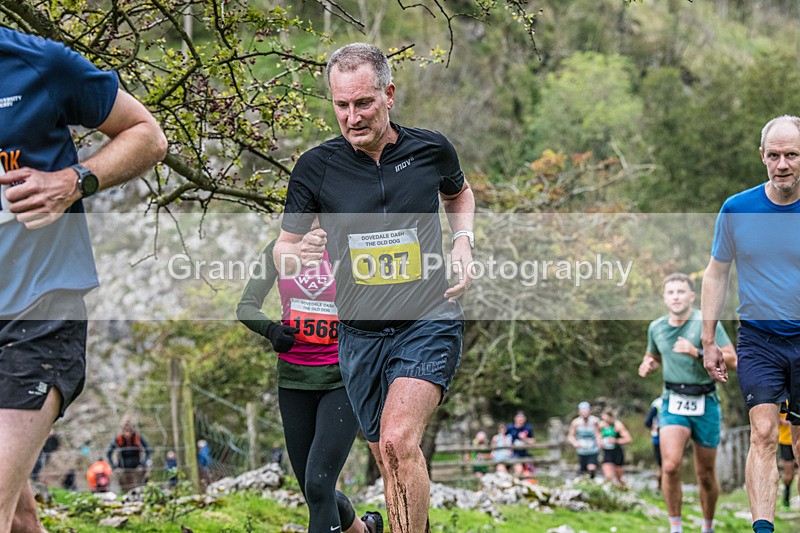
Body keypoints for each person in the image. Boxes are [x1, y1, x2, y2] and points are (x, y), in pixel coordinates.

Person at [273, 42, 474, 533]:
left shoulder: (431, 149)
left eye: (363, 103)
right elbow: (282, 248)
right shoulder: (316, 168)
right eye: (341, 105)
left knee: (398, 441)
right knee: (389, 461)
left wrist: (463, 241)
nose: (352, 116)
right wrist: (297, 254)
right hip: (359, 338)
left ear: (388, 94)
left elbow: (459, 193)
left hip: (426, 320)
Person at [0, 26, 167, 533]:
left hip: (38, 311)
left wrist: (72, 181)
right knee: (21, 517)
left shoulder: (38, 64)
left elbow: (147, 135)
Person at [237, 233, 383, 533]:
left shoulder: (348, 245)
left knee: (318, 483)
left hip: (342, 379)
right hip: (294, 381)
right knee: (312, 488)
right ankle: (363, 530)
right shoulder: (279, 249)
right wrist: (271, 330)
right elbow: (246, 305)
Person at [700, 115, 800, 533]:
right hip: (759, 339)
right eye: (774, 155)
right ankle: (763, 528)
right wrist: (708, 340)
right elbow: (716, 273)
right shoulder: (737, 209)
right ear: (762, 156)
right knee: (762, 431)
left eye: (791, 154)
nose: (782, 164)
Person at [640, 273, 737, 533]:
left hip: (705, 400)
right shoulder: (656, 327)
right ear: (664, 297)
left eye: (681, 291)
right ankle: (676, 527)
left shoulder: (706, 323)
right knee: (670, 466)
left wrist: (698, 352)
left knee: (705, 473)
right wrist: (648, 364)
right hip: (673, 401)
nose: (675, 297)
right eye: (670, 292)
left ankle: (707, 526)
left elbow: (732, 360)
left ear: (692, 296)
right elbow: (653, 355)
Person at [107, 420, 153, 492]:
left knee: (138, 488)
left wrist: (143, 464)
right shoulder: (119, 439)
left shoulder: (137, 438)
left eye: (129, 431)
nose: (127, 433)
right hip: (123, 468)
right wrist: (114, 467)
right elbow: (109, 453)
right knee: (125, 488)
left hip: (137, 467)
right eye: (125, 431)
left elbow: (148, 450)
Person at [597, 408, 632, 487]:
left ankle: (624, 488)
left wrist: (615, 440)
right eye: (603, 419)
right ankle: (608, 493)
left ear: (611, 418)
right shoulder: (601, 425)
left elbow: (628, 439)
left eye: (606, 420)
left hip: (617, 451)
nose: (605, 422)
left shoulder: (617, 425)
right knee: (608, 476)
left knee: (618, 477)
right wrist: (600, 443)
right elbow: (598, 436)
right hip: (607, 452)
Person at [567, 402, 600, 479]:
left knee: (591, 468)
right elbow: (570, 435)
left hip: (593, 449)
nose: (585, 413)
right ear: (579, 412)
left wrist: (599, 441)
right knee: (583, 470)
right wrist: (574, 442)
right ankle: (585, 484)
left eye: (586, 411)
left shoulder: (595, 421)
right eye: (583, 411)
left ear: (589, 411)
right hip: (581, 450)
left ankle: (592, 480)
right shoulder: (576, 422)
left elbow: (599, 433)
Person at [506, 411, 535, 476]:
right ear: (515, 418)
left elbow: (532, 441)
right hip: (513, 453)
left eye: (522, 417)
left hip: (525, 453)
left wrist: (524, 438)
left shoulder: (528, 427)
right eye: (519, 417)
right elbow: (503, 439)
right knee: (518, 469)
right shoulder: (510, 428)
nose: (521, 419)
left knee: (530, 469)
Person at [644, 397, 663, 491]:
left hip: (666, 437)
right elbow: (647, 422)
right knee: (663, 465)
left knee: (665, 465)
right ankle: (660, 487)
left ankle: (662, 488)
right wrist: (656, 427)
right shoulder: (658, 403)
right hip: (658, 438)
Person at [778, 411, 796, 509]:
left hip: (798, 439)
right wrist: (785, 421)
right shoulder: (781, 399)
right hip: (785, 441)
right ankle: (786, 498)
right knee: (789, 475)